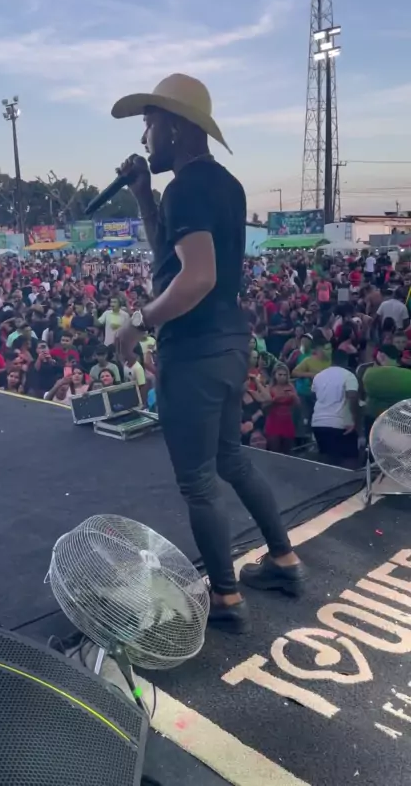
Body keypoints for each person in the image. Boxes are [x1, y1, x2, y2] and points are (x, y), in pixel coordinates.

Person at [112, 72, 304, 633]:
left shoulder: (187, 189)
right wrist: (143, 196)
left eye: (149, 123)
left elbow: (196, 278)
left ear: (174, 127)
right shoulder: (223, 185)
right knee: (231, 460)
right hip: (229, 343)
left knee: (198, 482)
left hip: (193, 353)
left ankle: (225, 597)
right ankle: (284, 561)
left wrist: (137, 324)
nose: (144, 136)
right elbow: (169, 259)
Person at [311, 350, 360, 466]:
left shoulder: (319, 376)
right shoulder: (349, 375)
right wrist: (354, 420)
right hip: (340, 424)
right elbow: (352, 397)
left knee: (326, 460)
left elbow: (313, 396)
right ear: (346, 361)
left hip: (318, 423)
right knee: (349, 460)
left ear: (331, 360)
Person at [263, 363, 300, 455]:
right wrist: (274, 400)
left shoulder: (290, 387)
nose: (282, 377)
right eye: (280, 375)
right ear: (274, 375)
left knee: (287, 452)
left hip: (287, 422)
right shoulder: (269, 388)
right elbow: (264, 406)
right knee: (274, 451)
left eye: (285, 375)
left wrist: (293, 396)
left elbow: (298, 404)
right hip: (273, 422)